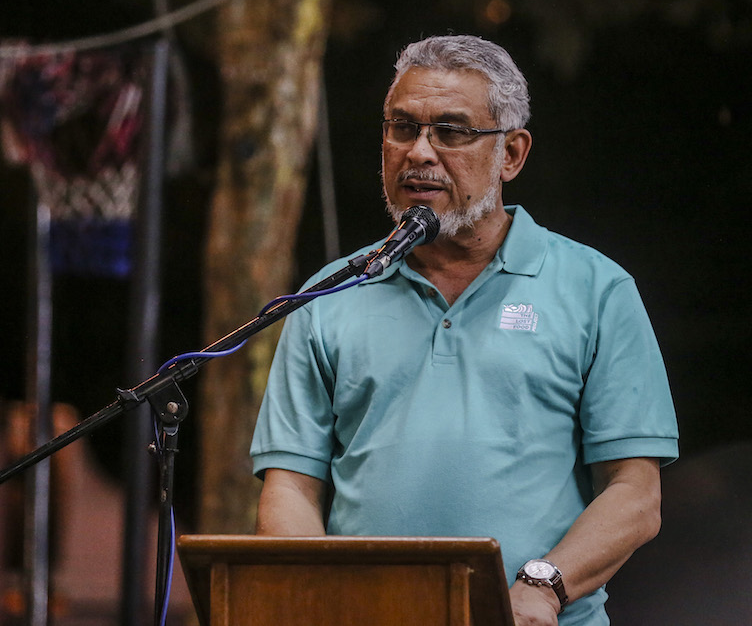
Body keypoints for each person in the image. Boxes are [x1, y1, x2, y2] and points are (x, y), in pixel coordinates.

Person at [250, 35, 679, 626]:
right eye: (402, 128)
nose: (419, 152)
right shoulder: (330, 294)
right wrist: (319, 598)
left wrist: (545, 586)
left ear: (512, 154)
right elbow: (290, 489)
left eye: (451, 132)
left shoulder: (595, 290)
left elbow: (636, 496)